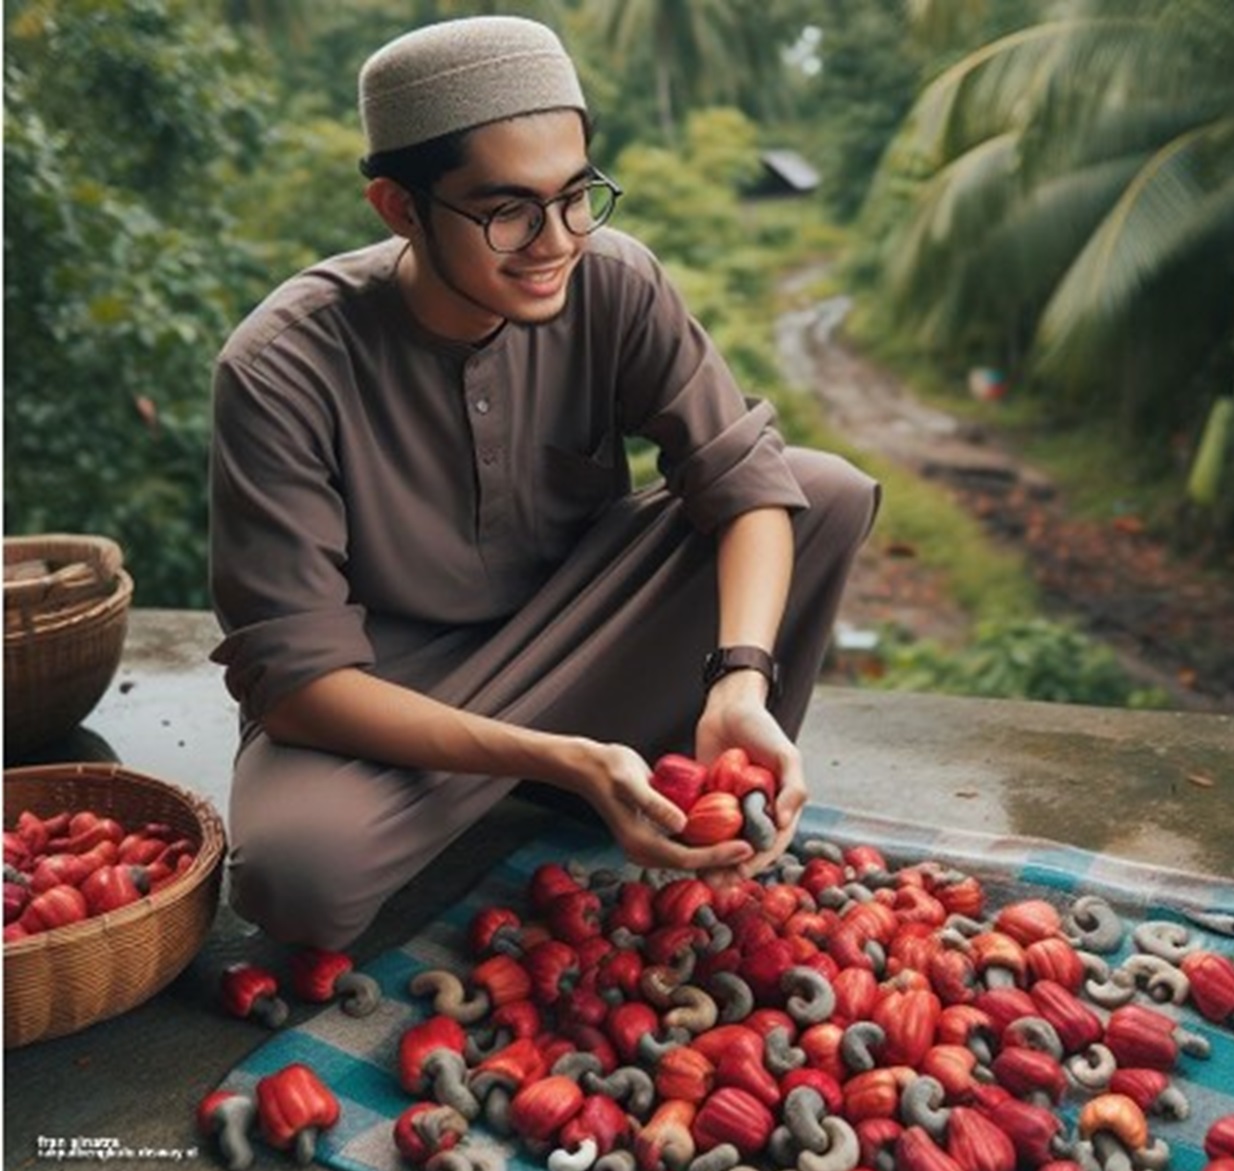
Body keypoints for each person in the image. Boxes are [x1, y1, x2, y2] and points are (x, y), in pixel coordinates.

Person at [208, 15, 879, 950]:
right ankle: (577, 781)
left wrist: (739, 683)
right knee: (295, 880)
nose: (555, 240)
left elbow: (748, 481)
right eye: (508, 210)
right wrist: (555, 757)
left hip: (583, 634)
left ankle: (649, 766)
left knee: (824, 492)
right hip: (399, 693)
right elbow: (298, 686)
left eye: (576, 196)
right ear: (399, 207)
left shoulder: (615, 279)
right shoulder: (283, 364)